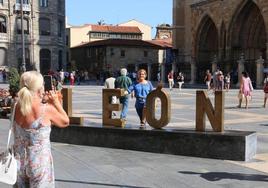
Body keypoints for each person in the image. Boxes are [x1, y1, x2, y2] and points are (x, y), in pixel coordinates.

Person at [13, 71, 69, 187]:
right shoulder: (45, 109)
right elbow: (65, 121)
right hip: (39, 163)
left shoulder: (15, 106)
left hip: (19, 162)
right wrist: (56, 102)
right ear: (40, 88)